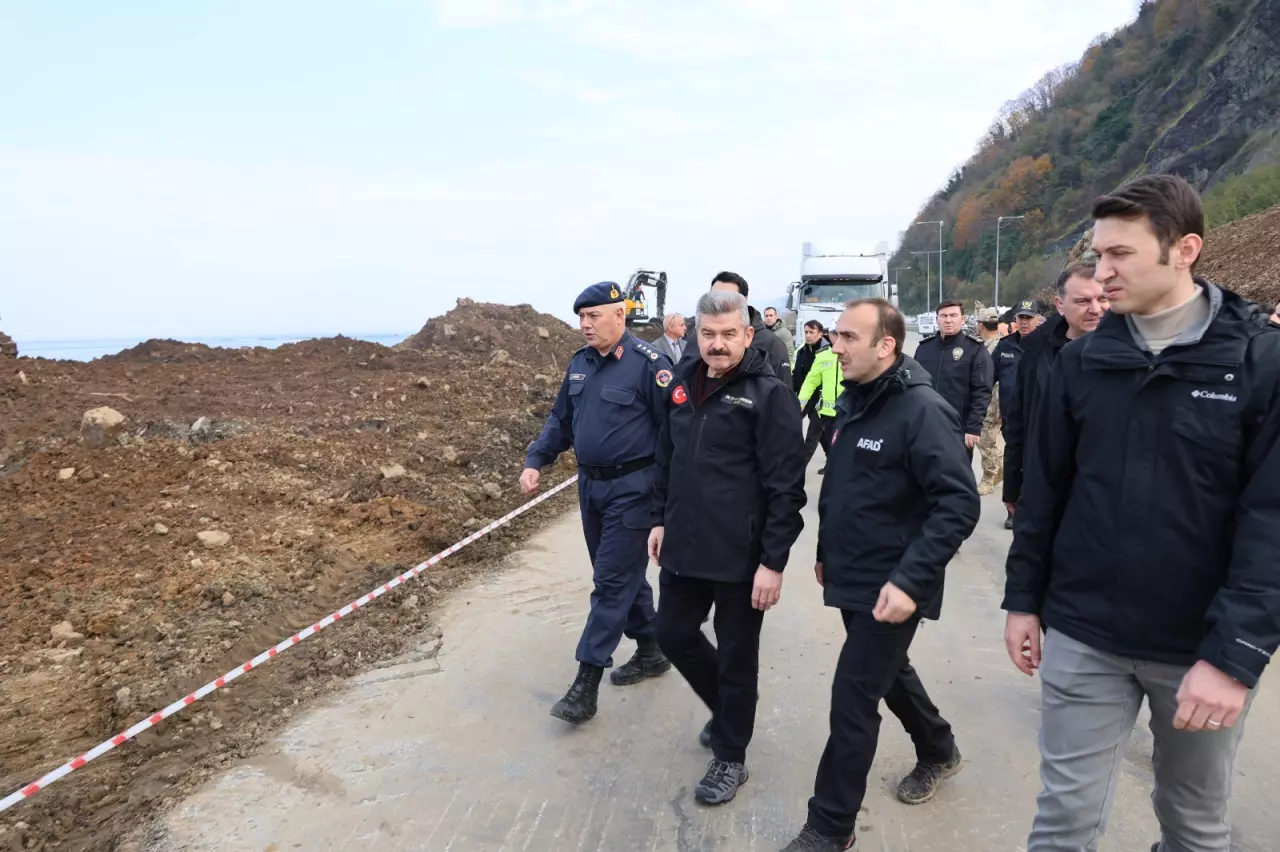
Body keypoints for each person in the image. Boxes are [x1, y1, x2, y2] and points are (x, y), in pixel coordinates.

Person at [1003, 174, 1280, 852]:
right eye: (1097, 256)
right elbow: (1044, 493)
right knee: (1062, 821)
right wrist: (1023, 601)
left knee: (1192, 824)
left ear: (1184, 249)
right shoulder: (1081, 361)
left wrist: (1236, 655)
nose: (1102, 274)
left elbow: (1272, 520)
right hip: (1083, 631)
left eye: (1119, 255)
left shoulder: (1258, 362)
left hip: (1198, 648)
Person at [780, 299, 979, 852]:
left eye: (847, 337)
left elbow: (958, 505)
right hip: (854, 573)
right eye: (836, 335)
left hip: (895, 582)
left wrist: (910, 580)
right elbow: (843, 487)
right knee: (888, 674)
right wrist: (825, 548)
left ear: (885, 345)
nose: (835, 346)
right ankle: (938, 748)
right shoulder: (855, 401)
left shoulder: (922, 411)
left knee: (853, 696)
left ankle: (829, 827)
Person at [651, 289, 807, 806]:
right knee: (672, 634)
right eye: (707, 334)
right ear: (696, 333)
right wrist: (658, 519)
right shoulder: (682, 383)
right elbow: (666, 457)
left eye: (727, 335)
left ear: (746, 334)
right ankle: (730, 709)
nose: (717, 345)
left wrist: (773, 563)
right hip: (684, 544)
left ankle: (731, 756)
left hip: (741, 557)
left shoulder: (768, 394)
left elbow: (788, 487)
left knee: (738, 657)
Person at [520, 281, 674, 725]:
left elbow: (676, 434)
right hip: (591, 489)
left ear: (620, 316)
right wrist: (537, 460)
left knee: (610, 581)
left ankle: (585, 683)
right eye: (581, 318)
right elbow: (560, 421)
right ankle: (651, 651)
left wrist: (668, 501)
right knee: (623, 576)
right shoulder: (579, 365)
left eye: (593, 316)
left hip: (635, 489)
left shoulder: (650, 365)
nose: (585, 325)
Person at [1000, 265, 1108, 531]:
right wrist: (1013, 483)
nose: (1095, 308)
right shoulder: (1036, 351)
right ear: (1060, 305)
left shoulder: (1134, 351)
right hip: (1045, 481)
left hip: (1107, 488)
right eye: (1083, 301)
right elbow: (1018, 422)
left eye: (1102, 298)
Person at [681, 272, 793, 387]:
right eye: (714, 296)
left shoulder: (772, 344)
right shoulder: (696, 340)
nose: (718, 303)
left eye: (729, 297)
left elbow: (782, 393)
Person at [912, 300, 992, 459]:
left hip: (958, 427)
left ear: (962, 319)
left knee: (955, 476)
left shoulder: (975, 349)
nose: (948, 320)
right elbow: (913, 387)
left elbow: (982, 391)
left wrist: (973, 427)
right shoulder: (924, 348)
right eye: (943, 316)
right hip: (926, 425)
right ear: (937, 320)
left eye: (953, 315)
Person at [972, 308, 1006, 496]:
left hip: (992, 403)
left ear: (981, 325)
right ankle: (999, 470)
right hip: (991, 402)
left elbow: (998, 381)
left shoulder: (994, 347)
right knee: (989, 441)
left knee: (985, 441)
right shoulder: (996, 343)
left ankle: (989, 477)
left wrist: (999, 407)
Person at [798, 325, 839, 471]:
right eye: (835, 334)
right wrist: (800, 404)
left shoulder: (854, 354)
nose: (837, 338)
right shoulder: (822, 355)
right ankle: (797, 472)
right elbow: (811, 381)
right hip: (824, 411)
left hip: (846, 414)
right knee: (813, 440)